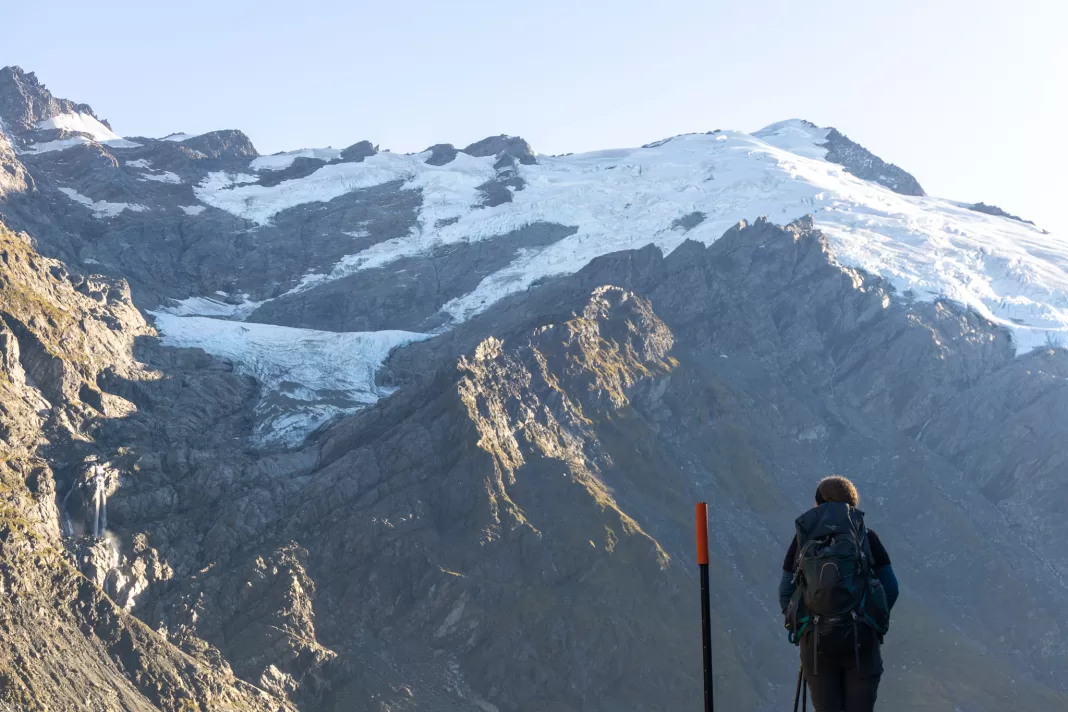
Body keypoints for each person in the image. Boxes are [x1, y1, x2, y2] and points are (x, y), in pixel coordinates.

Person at [779, 476, 899, 712]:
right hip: (861, 640)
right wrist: (871, 622)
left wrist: (803, 626)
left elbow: (786, 591)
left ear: (817, 504)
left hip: (816, 644)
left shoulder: (803, 539)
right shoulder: (866, 535)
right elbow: (891, 588)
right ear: (852, 505)